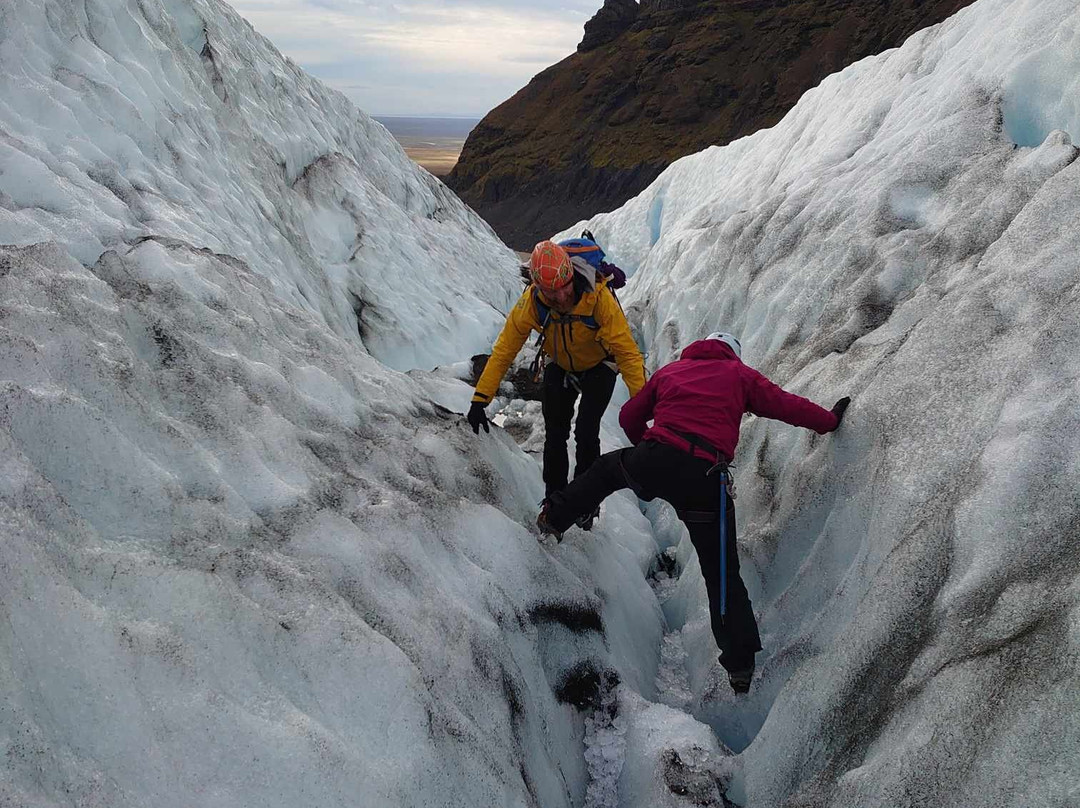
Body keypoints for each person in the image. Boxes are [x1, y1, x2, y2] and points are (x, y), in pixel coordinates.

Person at [535, 331, 851, 693]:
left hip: (655, 457)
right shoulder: (740, 376)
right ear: (733, 354)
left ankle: (554, 517)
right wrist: (829, 420)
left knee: (606, 471)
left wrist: (649, 450)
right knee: (722, 574)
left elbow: (628, 416)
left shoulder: (671, 372)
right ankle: (740, 666)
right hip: (704, 479)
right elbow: (787, 406)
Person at [468, 240, 647, 526]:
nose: (561, 295)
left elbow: (628, 355)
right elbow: (504, 350)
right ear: (538, 286)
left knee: (587, 432)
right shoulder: (531, 303)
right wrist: (481, 398)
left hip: (601, 364)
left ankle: (585, 503)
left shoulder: (598, 298)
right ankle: (554, 501)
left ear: (570, 276)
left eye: (565, 286)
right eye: (552, 292)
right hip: (560, 363)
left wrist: (643, 411)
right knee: (555, 432)